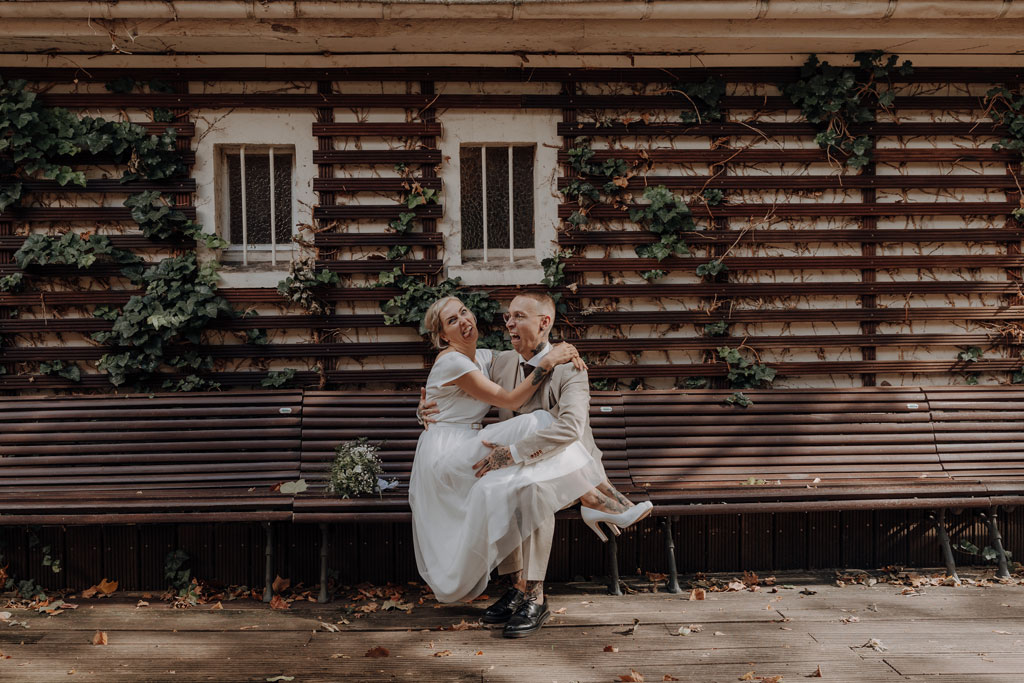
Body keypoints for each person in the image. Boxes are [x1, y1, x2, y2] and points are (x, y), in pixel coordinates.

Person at [417, 292, 653, 637]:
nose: (509, 323)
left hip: (564, 465)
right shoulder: (500, 362)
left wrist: (512, 455)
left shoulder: (570, 367)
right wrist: (423, 410)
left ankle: (535, 595)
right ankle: (516, 587)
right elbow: (451, 387)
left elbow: (570, 429)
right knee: (492, 488)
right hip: (506, 460)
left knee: (531, 489)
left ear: (544, 323)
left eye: (519, 317)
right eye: (508, 316)